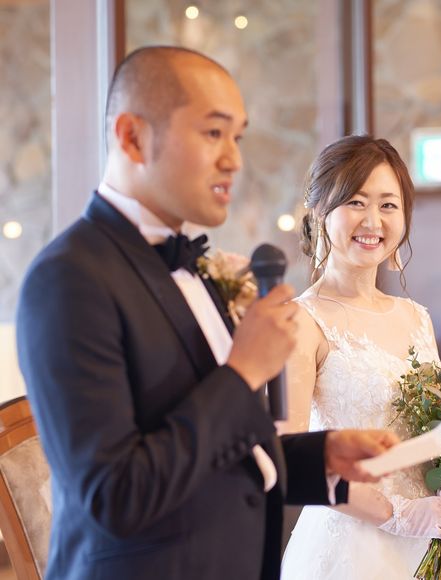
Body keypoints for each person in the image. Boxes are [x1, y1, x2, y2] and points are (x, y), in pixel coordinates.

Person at [16, 48, 399, 580]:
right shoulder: (69, 279)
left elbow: (215, 452)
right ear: (132, 136)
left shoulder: (192, 270)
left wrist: (320, 457)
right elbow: (115, 495)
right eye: (213, 133)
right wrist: (242, 372)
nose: (234, 160)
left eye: (237, 137)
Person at [280, 135, 441, 579]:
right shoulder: (301, 321)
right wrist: (397, 515)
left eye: (388, 205)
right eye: (356, 202)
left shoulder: (416, 316)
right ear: (320, 211)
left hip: (430, 537)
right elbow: (288, 458)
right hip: (349, 546)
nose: (373, 221)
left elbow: (433, 432)